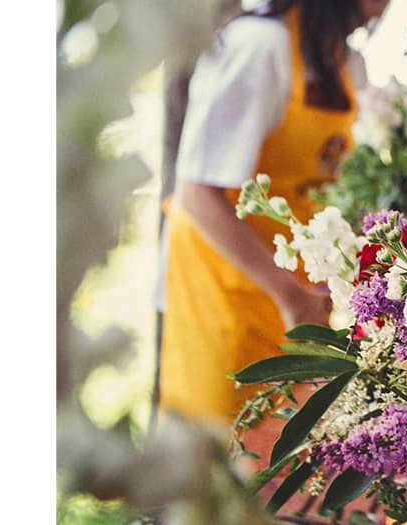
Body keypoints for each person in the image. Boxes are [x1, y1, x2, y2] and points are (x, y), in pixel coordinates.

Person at [158, 0, 389, 438]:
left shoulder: (345, 63)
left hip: (296, 291)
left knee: (295, 456)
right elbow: (197, 194)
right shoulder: (257, 48)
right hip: (224, 288)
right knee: (226, 455)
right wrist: (288, 293)